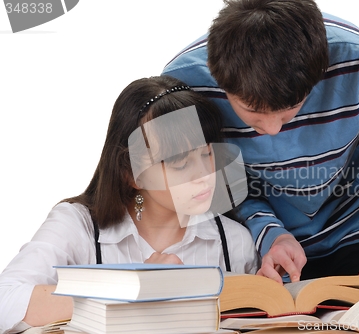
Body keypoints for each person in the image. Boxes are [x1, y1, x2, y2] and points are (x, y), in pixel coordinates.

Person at [161, 0, 359, 284]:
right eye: (253, 113)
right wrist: (269, 231)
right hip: (262, 251)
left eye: (288, 113)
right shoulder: (183, 83)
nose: (272, 130)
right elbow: (213, 186)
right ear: (217, 77)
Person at [0, 75, 259, 333]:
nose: (204, 174)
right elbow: (5, 300)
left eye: (206, 154)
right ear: (131, 174)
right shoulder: (77, 225)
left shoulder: (233, 242)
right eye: (180, 163)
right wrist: (133, 286)